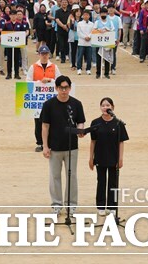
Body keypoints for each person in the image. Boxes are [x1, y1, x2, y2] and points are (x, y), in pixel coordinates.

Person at [40, 75, 86, 218]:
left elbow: (80, 121)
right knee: (55, 177)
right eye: (61, 88)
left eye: (66, 88)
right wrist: (45, 146)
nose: (64, 91)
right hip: (54, 147)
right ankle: (56, 204)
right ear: (56, 88)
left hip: (72, 147)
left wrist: (80, 131)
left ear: (70, 88)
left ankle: (71, 205)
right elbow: (45, 126)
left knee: (72, 176)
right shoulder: (49, 105)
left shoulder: (76, 104)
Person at [89, 97, 129, 217]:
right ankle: (101, 206)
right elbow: (93, 141)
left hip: (113, 157)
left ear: (113, 107)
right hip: (100, 156)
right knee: (101, 181)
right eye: (103, 105)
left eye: (108, 105)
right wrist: (91, 158)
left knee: (113, 182)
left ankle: (112, 206)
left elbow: (121, 142)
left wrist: (120, 158)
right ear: (100, 108)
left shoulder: (118, 123)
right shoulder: (95, 122)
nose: (105, 107)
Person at [27, 45, 62, 153]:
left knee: (52, 121)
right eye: (42, 54)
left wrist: (50, 81)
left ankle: (51, 142)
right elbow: (28, 82)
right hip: (38, 100)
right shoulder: (33, 67)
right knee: (38, 122)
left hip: (50, 99)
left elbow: (60, 80)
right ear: (39, 54)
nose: (44, 56)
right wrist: (39, 82)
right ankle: (40, 143)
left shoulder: (54, 67)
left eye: (46, 54)